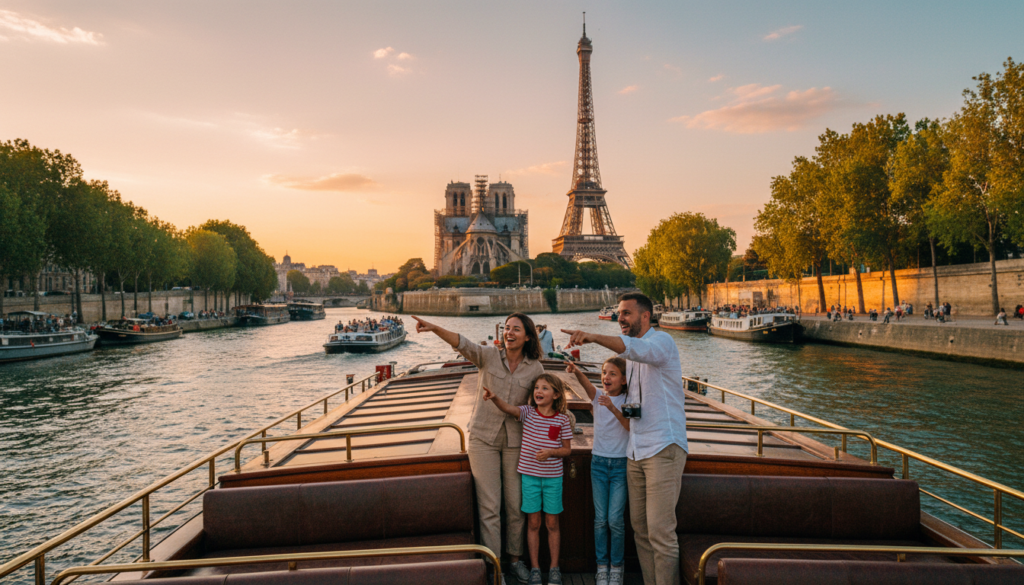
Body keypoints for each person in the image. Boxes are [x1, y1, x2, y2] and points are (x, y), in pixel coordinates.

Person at [562, 292, 688, 585]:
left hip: (662, 447)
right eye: (619, 313)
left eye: (627, 313)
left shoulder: (662, 343)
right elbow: (632, 400)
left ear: (645, 316)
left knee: (659, 531)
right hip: (635, 451)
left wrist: (592, 337)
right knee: (641, 530)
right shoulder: (633, 360)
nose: (620, 318)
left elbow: (634, 349)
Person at [412, 312, 544, 585]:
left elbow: (541, 405)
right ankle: (495, 567)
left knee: (516, 506)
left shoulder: (536, 369)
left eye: (516, 329)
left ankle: (515, 561)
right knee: (490, 507)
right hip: (483, 440)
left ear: (528, 336)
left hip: (515, 442)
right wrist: (435, 326)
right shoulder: (487, 356)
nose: (509, 333)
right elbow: (463, 344)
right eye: (507, 328)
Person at [483, 374, 573, 585]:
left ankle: (554, 569)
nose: (538, 392)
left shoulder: (562, 419)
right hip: (530, 478)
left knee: (552, 523)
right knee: (533, 523)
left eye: (545, 388)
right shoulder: (528, 413)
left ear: (556, 394)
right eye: (536, 388)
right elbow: (509, 408)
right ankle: (534, 568)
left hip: (553, 479)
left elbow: (567, 450)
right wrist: (495, 397)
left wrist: (551, 452)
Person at [566, 357, 629, 585]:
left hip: (621, 465)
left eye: (612, 374)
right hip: (599, 464)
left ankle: (617, 567)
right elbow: (586, 384)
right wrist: (574, 371)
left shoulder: (628, 400)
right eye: (604, 373)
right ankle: (602, 567)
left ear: (623, 379)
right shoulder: (596, 397)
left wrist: (612, 407)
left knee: (615, 520)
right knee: (601, 520)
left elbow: (630, 426)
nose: (606, 377)